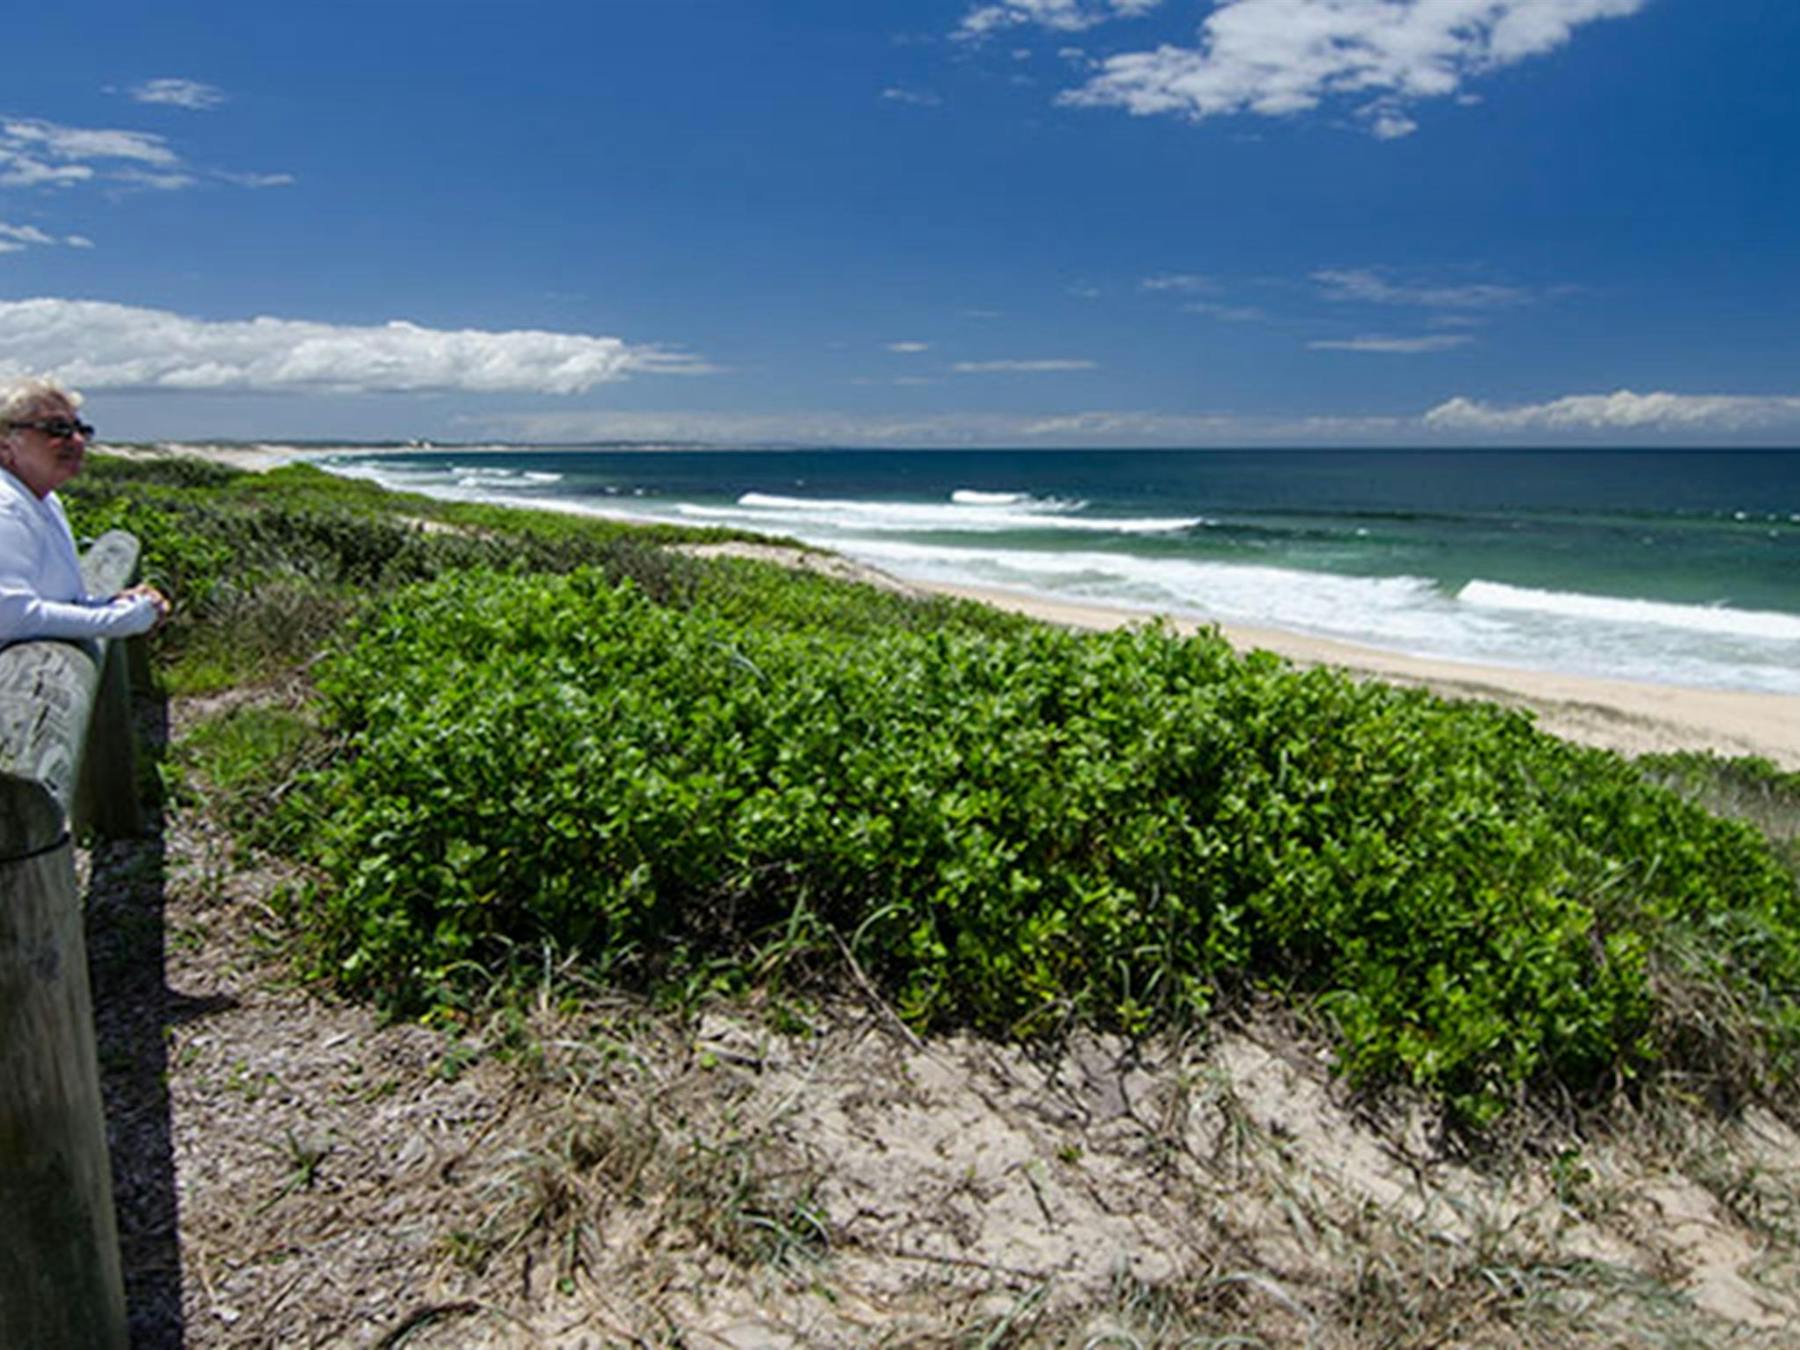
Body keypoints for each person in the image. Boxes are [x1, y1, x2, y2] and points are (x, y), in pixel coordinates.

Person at [0, 377, 170, 645]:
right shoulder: (5, 507)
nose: (77, 440)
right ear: (5, 443)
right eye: (57, 429)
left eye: (81, 429)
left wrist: (109, 603)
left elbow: (54, 599)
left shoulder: (45, 500)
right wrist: (122, 620)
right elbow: (9, 617)